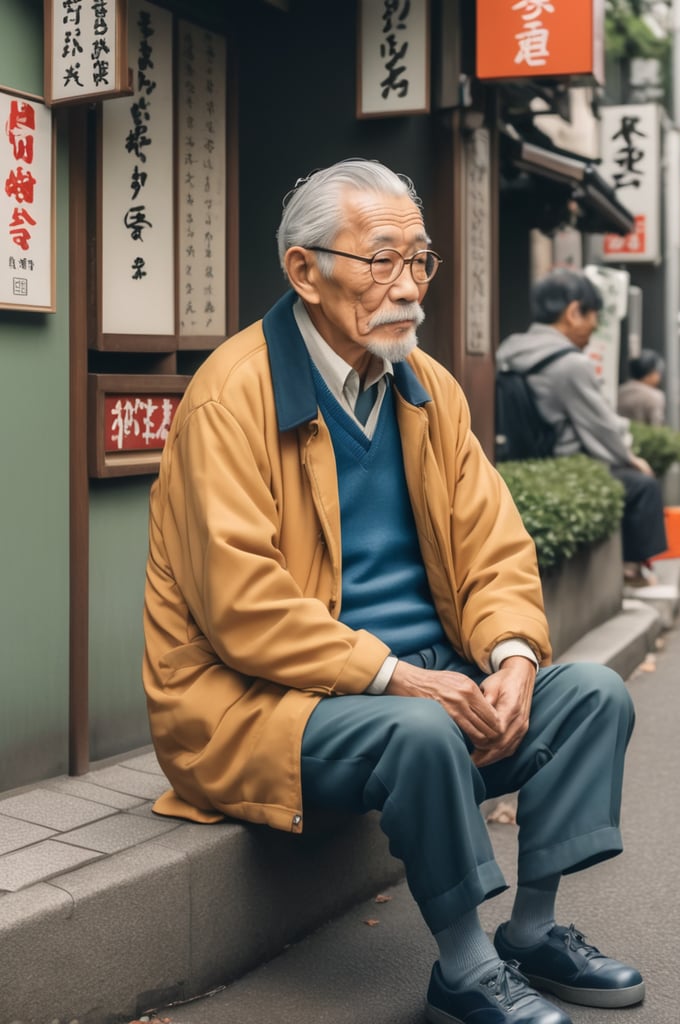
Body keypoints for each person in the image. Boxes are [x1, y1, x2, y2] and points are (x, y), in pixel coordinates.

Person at [143, 160, 644, 1024]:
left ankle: (529, 931)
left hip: (419, 680)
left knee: (588, 695)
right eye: (381, 261)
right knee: (418, 728)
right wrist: (404, 678)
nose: (408, 287)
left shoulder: (426, 387)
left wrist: (513, 656)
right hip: (263, 703)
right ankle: (462, 970)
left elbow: (494, 546)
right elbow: (241, 606)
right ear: (304, 271)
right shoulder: (230, 396)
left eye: (420, 261)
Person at [496, 268, 667, 589]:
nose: (594, 327)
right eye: (593, 317)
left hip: (519, 458)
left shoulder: (510, 349)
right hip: (562, 463)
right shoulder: (570, 364)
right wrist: (630, 456)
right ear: (574, 312)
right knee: (642, 485)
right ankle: (632, 569)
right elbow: (601, 427)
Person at [617, 349, 666, 426]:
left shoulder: (620, 391)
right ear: (648, 374)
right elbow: (656, 428)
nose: (659, 376)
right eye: (657, 372)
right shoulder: (655, 396)